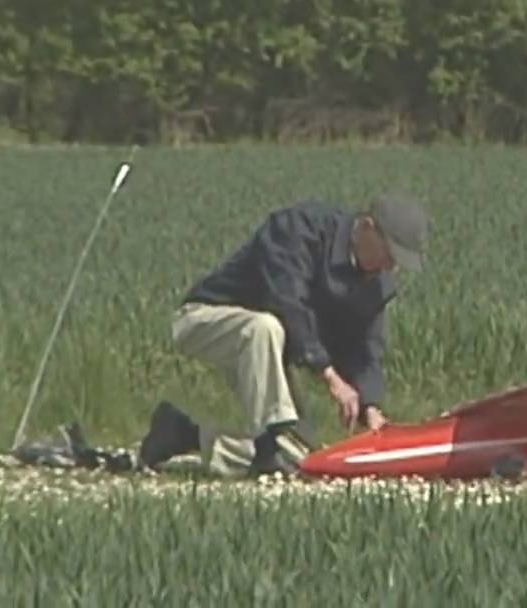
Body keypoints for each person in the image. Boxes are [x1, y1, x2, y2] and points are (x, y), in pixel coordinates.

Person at [137, 193, 431, 478]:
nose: (391, 266)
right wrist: (331, 377)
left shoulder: (376, 283)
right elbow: (288, 303)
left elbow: (368, 347)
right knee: (264, 327)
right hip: (207, 320)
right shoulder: (299, 228)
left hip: (267, 351)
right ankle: (269, 446)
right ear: (367, 227)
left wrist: (371, 406)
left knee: (303, 458)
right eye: (389, 253)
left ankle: (185, 435)